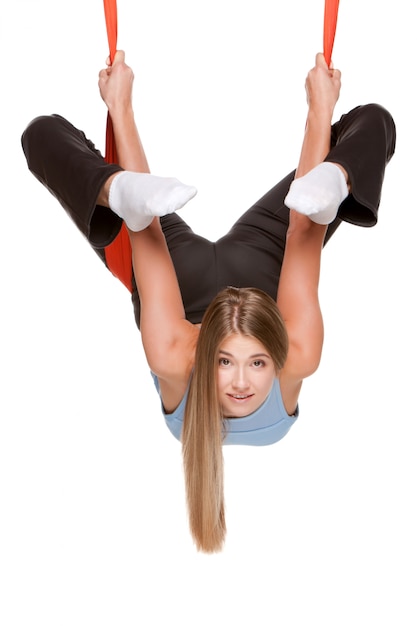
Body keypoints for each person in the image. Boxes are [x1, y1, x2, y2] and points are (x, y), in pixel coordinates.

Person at [21, 51, 396, 553]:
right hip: (268, 272)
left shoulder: (174, 353)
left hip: (179, 280)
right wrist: (319, 113)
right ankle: (339, 180)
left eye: (228, 363)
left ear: (201, 352)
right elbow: (304, 234)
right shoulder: (298, 352)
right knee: (373, 122)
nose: (242, 382)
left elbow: (146, 229)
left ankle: (109, 188)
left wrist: (121, 110)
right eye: (249, 362)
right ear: (277, 354)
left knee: (41, 134)